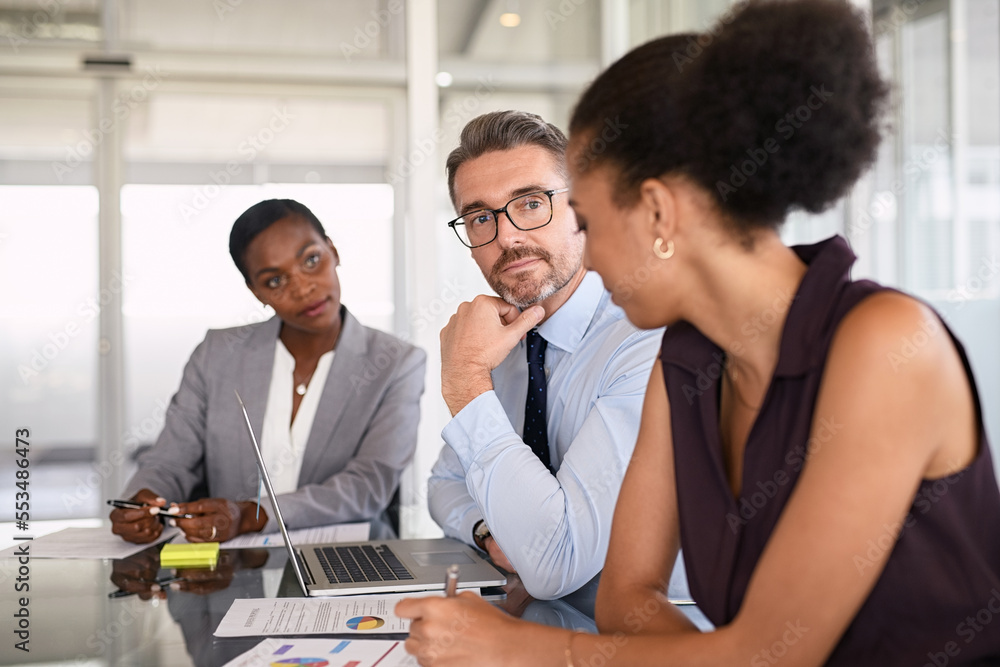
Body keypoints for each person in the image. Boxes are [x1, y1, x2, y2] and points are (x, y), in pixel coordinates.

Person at [397, 1, 1000, 665]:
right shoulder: (684, 361)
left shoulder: (884, 342)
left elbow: (770, 652)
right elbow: (626, 600)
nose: (587, 259)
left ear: (656, 210)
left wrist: (520, 647)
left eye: (590, 222)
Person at [427, 110, 665, 602]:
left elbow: (556, 562)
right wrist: (489, 533)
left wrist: (467, 380)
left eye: (531, 203)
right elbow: (444, 483)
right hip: (533, 622)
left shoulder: (645, 339)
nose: (507, 237)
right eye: (480, 217)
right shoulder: (504, 338)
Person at [111, 199, 425, 544]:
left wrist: (251, 515)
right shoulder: (217, 355)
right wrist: (140, 500)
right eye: (275, 280)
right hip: (231, 571)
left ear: (332, 250)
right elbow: (170, 462)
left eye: (311, 260)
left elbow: (368, 485)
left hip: (343, 562)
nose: (303, 287)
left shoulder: (396, 363)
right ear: (256, 291)